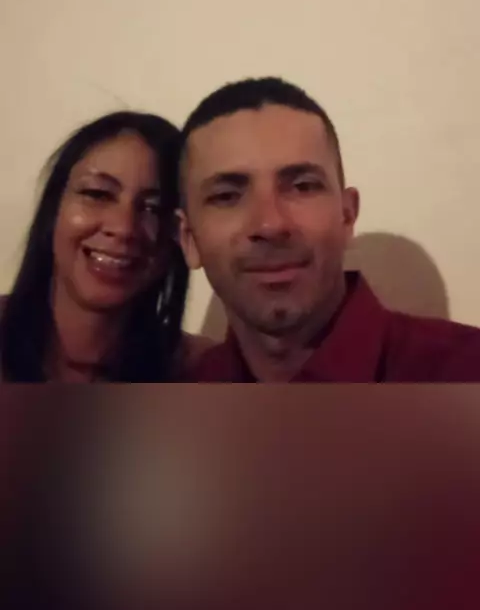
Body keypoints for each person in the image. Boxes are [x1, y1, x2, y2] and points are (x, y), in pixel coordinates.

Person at [177, 77, 480, 382]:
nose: (270, 225)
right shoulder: (178, 396)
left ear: (347, 216)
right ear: (188, 239)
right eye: (226, 196)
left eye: (303, 186)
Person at [0, 111, 208, 382]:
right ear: (54, 209)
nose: (124, 228)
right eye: (97, 194)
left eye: (154, 208)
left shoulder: (203, 371)